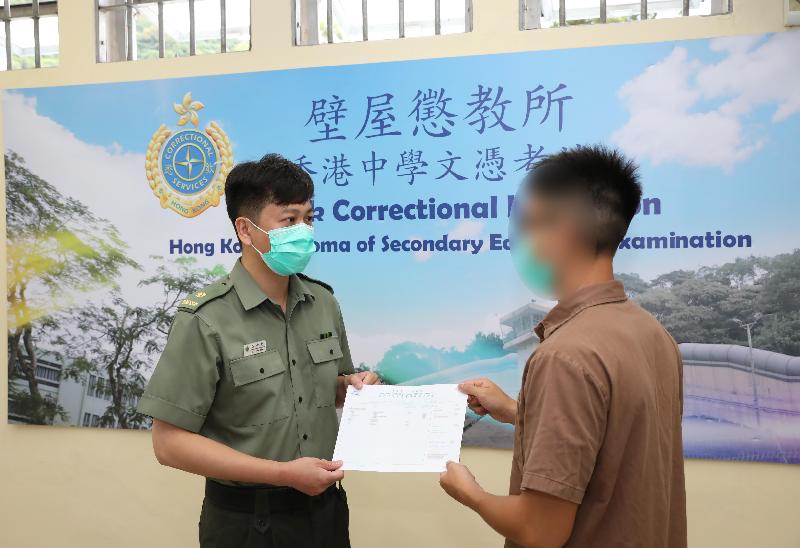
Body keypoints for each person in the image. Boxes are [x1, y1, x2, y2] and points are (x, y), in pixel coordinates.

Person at [439, 145, 687, 548]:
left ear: (563, 231)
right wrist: (518, 414)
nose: (522, 244)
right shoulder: (653, 334)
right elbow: (610, 444)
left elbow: (540, 530)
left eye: (528, 227)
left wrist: (471, 493)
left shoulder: (564, 356)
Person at [137, 153, 379, 548]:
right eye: (288, 220)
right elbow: (168, 443)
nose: (303, 231)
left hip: (326, 514)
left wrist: (352, 385)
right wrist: (282, 473)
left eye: (309, 218)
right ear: (246, 230)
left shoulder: (323, 303)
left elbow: (329, 387)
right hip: (247, 522)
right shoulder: (206, 318)